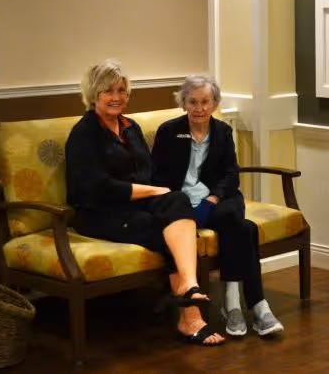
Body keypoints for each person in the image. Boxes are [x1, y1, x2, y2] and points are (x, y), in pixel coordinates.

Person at [65, 60, 224, 347]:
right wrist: (151, 192)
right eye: (108, 91)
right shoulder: (84, 133)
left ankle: (188, 285)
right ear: (93, 94)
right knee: (161, 232)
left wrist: (158, 192)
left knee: (177, 199)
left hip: (134, 205)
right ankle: (191, 319)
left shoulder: (130, 127)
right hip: (99, 213)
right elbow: (95, 187)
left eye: (121, 90)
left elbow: (148, 170)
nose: (117, 97)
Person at [151, 74, 283, 338]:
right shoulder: (169, 131)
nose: (199, 109)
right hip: (184, 204)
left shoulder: (222, 131)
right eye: (193, 102)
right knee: (245, 229)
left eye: (205, 102)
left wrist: (213, 199)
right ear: (183, 103)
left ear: (214, 104)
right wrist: (182, 202)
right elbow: (158, 177)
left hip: (218, 198)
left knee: (232, 214)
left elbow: (231, 173)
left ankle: (235, 304)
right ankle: (253, 304)